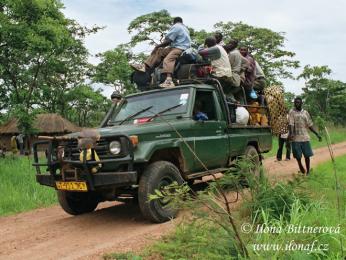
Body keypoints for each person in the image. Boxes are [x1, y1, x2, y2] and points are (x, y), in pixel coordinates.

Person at [130, 17, 191, 88]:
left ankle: (169, 80)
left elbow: (169, 40)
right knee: (159, 51)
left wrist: (157, 46)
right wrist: (159, 48)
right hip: (178, 47)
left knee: (168, 60)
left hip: (179, 48)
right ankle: (144, 66)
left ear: (174, 22)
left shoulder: (176, 27)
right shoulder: (185, 29)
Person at [288, 97, 322, 175]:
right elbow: (291, 124)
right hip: (296, 138)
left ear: (301, 103)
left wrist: (317, 134)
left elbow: (310, 125)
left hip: (305, 137)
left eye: (298, 102)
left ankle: (308, 171)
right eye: (295, 102)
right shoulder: (292, 112)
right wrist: (291, 134)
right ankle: (300, 165)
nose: (296, 104)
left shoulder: (305, 113)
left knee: (307, 155)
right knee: (298, 156)